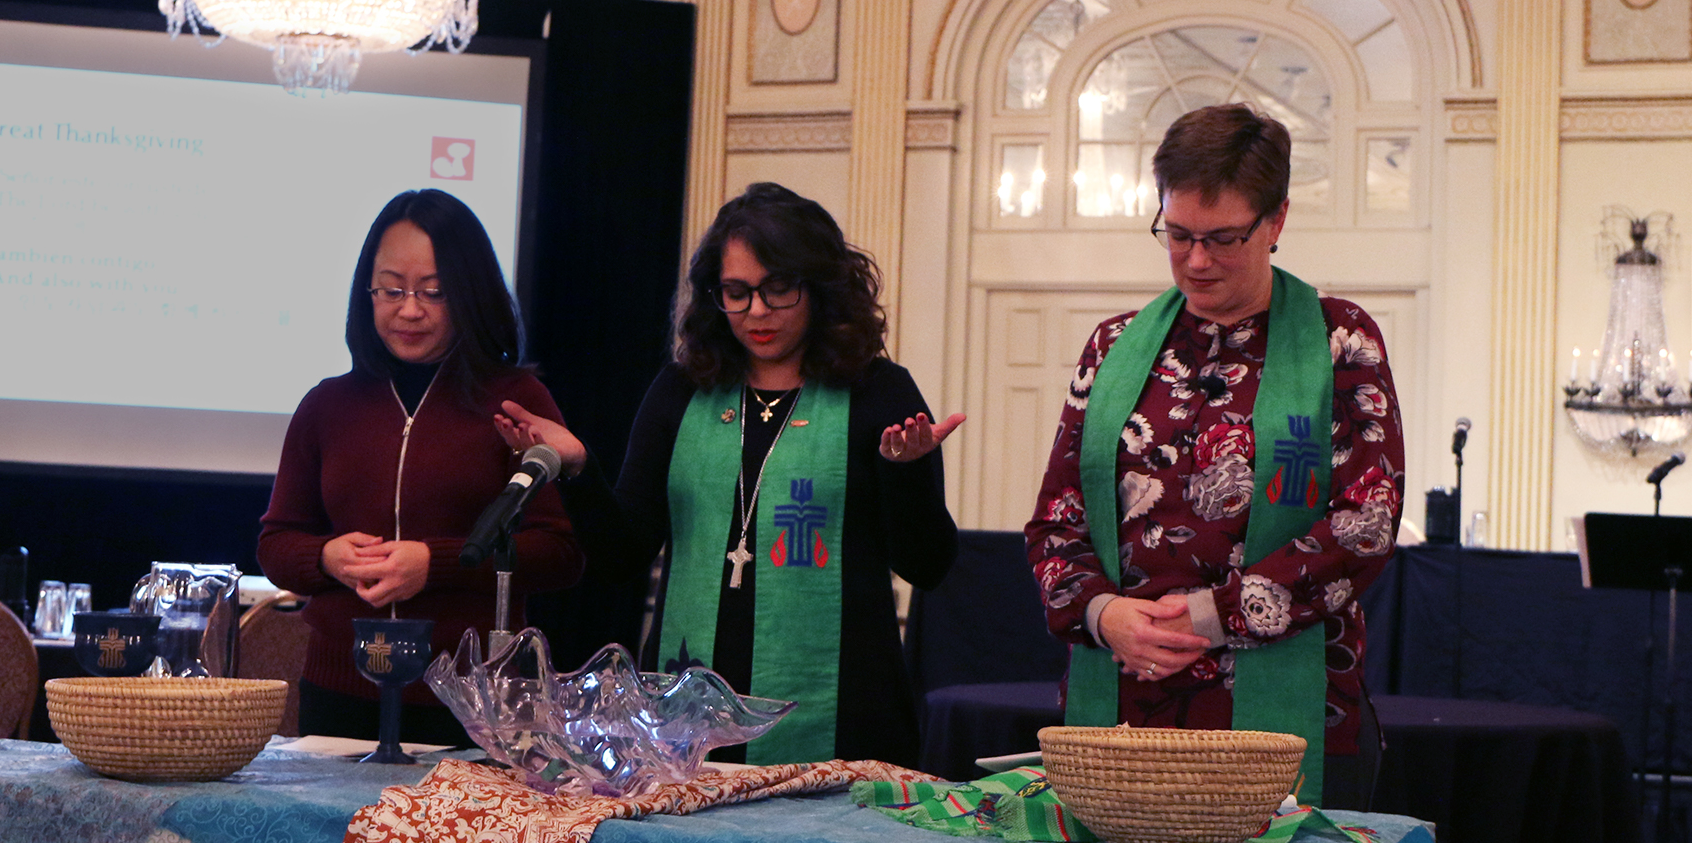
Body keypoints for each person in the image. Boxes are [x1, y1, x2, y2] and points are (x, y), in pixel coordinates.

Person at [495, 182, 962, 768]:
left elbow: (930, 565)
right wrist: (579, 469)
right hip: (683, 720)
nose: (757, 312)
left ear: (819, 286)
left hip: (844, 714)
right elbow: (621, 556)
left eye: (778, 289)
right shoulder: (680, 391)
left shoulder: (878, 391)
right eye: (736, 293)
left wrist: (908, 473)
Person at [1025, 103, 1404, 809]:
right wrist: (1103, 614)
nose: (1196, 261)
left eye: (1223, 237)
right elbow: (1055, 521)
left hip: (1285, 715)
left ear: (1277, 221)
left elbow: (1367, 522)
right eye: (1178, 235)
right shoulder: (1114, 349)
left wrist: (1215, 615)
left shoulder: (1338, 340)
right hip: (1122, 707)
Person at [258, 188, 580, 745]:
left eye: (434, 292)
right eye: (392, 290)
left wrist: (437, 562)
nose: (410, 309)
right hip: (340, 693)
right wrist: (325, 557)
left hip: (470, 701)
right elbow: (276, 543)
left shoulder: (515, 401)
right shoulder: (327, 405)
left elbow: (560, 553)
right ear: (368, 292)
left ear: (471, 294)